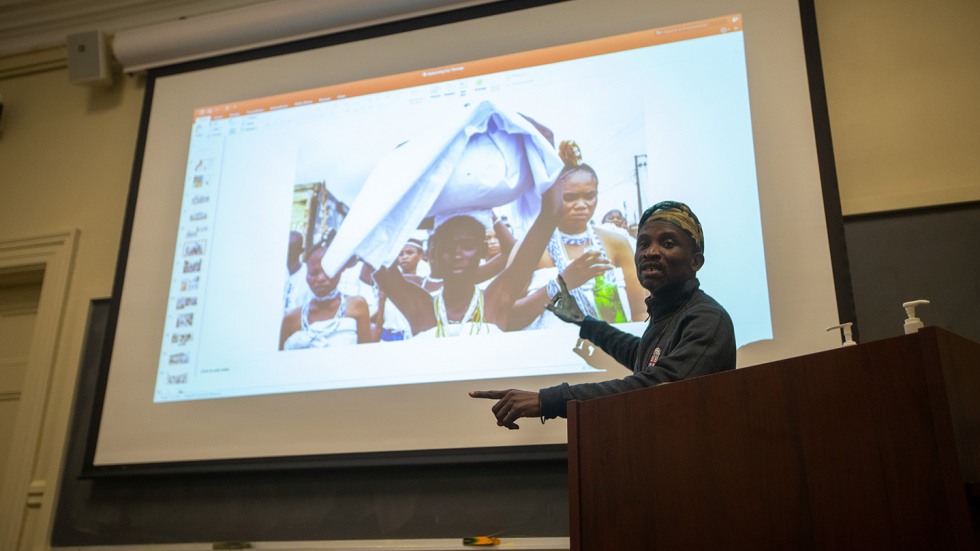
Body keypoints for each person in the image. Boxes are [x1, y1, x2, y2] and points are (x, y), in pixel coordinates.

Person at [470, 200, 736, 428]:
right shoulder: (666, 315)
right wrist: (583, 322)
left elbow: (660, 384)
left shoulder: (706, 319)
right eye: (643, 243)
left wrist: (547, 400)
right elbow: (639, 352)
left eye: (667, 243)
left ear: (695, 261)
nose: (651, 252)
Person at [508, 141, 647, 330]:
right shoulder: (531, 248)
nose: (582, 205)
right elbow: (507, 319)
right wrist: (560, 285)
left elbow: (641, 312)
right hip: (548, 355)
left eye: (589, 196)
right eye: (571, 197)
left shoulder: (616, 244)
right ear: (552, 197)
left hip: (609, 354)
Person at [280, 239, 372, 349]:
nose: (320, 278)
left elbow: (365, 354)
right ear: (306, 275)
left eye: (327, 271)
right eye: (314, 273)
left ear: (339, 271)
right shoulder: (291, 319)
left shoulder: (357, 306)